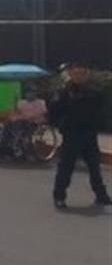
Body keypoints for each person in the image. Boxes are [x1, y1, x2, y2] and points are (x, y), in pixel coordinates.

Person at [50, 62, 111, 209]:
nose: (79, 76)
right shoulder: (63, 92)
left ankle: (101, 195)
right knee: (66, 167)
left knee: (94, 167)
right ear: (70, 74)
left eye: (82, 74)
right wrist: (61, 125)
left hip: (89, 134)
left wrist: (96, 125)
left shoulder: (94, 92)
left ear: (86, 75)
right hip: (71, 134)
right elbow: (53, 112)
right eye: (76, 73)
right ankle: (59, 196)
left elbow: (100, 111)